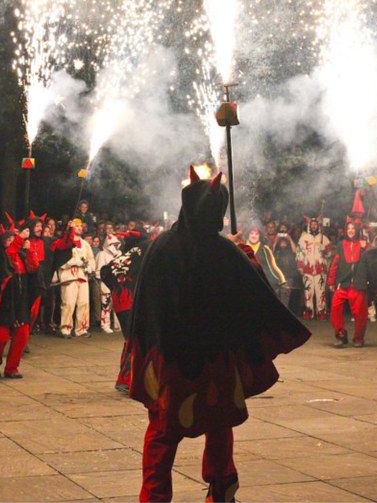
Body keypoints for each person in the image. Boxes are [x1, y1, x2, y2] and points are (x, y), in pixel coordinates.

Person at [128, 169, 311, 502]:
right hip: (213, 361)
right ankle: (222, 487)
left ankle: (154, 497)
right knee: (218, 421)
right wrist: (246, 254)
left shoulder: (162, 246)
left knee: (162, 431)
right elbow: (253, 288)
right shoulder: (225, 252)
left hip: (169, 360)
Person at [100, 226, 150, 392]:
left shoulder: (124, 254)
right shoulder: (145, 248)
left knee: (131, 339)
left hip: (121, 302)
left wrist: (115, 288)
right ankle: (128, 380)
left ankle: (127, 379)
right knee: (136, 340)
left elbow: (105, 272)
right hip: (131, 302)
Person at [0, 228, 38, 378]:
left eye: (14, 239)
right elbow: (8, 258)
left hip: (20, 303)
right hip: (4, 304)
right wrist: (20, 238)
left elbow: (34, 267)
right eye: (10, 239)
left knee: (22, 335)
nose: (13, 242)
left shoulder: (20, 255)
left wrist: (29, 251)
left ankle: (12, 368)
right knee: (0, 337)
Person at [327, 218, 370, 347]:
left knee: (360, 315)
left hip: (358, 285)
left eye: (353, 228)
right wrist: (331, 282)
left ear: (357, 230)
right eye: (349, 229)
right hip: (344, 284)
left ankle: (358, 338)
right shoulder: (341, 245)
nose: (351, 231)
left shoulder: (363, 245)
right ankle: (341, 336)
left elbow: (371, 262)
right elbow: (335, 264)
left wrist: (366, 247)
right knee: (335, 309)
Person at [57, 219, 96, 338]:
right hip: (69, 277)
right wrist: (74, 262)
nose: (79, 228)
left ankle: (82, 329)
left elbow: (91, 259)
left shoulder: (85, 244)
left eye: (80, 226)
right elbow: (60, 260)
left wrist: (90, 267)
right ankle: (65, 329)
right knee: (68, 303)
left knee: (84, 303)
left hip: (82, 277)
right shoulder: (65, 243)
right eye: (77, 226)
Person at [296, 216, 331, 320]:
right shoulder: (303, 238)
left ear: (318, 226)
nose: (314, 226)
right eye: (312, 225)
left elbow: (329, 254)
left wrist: (324, 249)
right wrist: (300, 267)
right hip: (307, 269)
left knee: (321, 291)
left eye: (316, 225)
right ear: (309, 226)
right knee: (308, 291)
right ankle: (309, 310)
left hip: (321, 269)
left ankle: (321, 310)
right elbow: (299, 253)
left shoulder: (324, 238)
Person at [95, 233, 122, 334]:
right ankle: (105, 324)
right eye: (112, 244)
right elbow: (99, 271)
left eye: (116, 244)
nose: (114, 246)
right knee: (106, 304)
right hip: (106, 283)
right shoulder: (102, 254)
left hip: (117, 283)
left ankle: (117, 323)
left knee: (118, 304)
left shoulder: (119, 254)